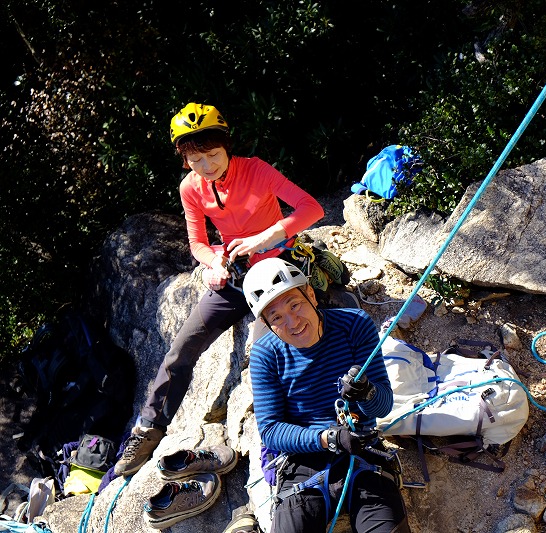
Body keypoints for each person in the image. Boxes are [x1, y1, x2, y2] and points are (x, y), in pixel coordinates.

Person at [114, 102, 326, 477]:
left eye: (212, 154)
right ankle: (149, 427)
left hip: (276, 263)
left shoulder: (256, 170)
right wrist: (214, 263)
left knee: (269, 347)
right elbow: (197, 243)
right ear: (185, 160)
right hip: (235, 272)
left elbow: (311, 209)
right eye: (196, 159)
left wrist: (266, 236)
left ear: (226, 146)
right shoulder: (191, 188)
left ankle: (295, 427)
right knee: (183, 345)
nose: (207, 165)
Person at [242, 258, 411, 533]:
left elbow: (383, 406)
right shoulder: (266, 355)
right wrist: (326, 438)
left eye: (294, 305)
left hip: (361, 449)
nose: (293, 322)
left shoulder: (354, 326)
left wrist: (367, 391)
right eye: (276, 317)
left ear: (311, 295)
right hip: (301, 460)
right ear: (267, 323)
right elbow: (271, 430)